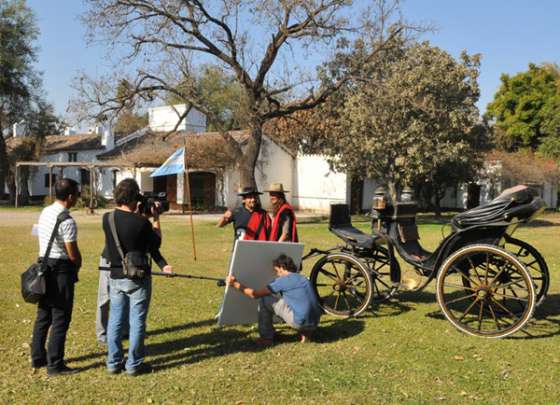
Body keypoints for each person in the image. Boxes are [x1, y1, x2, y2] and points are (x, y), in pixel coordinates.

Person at [102, 178, 172, 376]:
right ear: (135, 198)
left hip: (115, 275)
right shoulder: (141, 222)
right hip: (138, 277)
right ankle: (133, 364)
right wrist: (155, 218)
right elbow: (155, 244)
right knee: (137, 321)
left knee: (115, 320)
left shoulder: (106, 218)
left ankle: (113, 362)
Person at [31, 178, 82, 376]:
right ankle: (55, 364)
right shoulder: (67, 220)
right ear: (70, 197)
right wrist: (78, 263)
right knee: (61, 317)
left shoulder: (46, 211)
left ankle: (37, 357)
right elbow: (72, 253)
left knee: (43, 314)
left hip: (43, 265)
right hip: (61, 269)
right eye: (76, 194)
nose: (77, 197)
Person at [226, 254, 322, 345]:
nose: (277, 274)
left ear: (281, 267)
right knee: (297, 305)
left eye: (276, 271)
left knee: (264, 300)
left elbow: (254, 294)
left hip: (300, 322)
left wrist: (235, 284)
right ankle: (306, 334)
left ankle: (266, 338)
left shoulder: (283, 280)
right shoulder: (303, 278)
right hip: (315, 322)